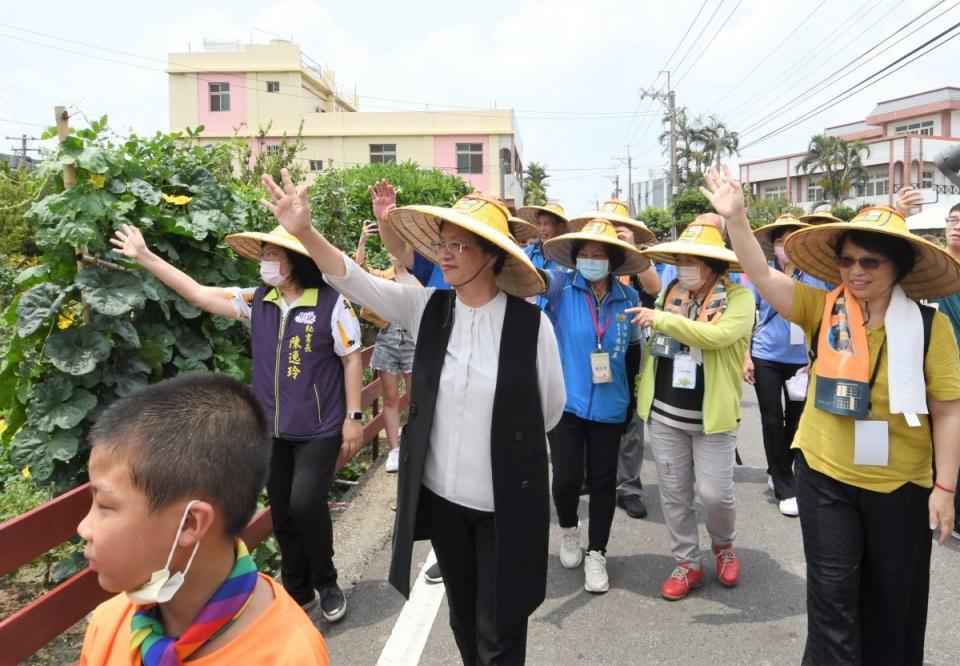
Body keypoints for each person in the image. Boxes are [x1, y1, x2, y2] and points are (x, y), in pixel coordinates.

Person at [260, 170, 565, 665]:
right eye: (443, 244)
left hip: (504, 506)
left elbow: (548, 409)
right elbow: (353, 280)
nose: (444, 255)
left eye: (458, 247)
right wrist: (304, 233)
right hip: (444, 502)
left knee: (502, 628)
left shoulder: (533, 326)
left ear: (491, 256)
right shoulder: (427, 308)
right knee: (463, 618)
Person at [704, 164, 960, 664]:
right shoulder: (822, 308)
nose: (856, 271)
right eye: (847, 261)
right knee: (832, 602)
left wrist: (945, 489)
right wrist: (735, 219)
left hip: (901, 485)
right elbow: (759, 272)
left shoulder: (931, 329)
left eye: (871, 262)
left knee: (894, 604)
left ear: (899, 268)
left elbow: (948, 411)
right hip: (824, 477)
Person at [110, 223, 363, 623]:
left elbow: (351, 358)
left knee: (305, 503)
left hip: (319, 427)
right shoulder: (258, 300)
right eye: (263, 254)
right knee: (282, 510)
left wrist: (354, 417)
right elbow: (199, 293)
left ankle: (327, 582)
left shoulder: (332, 304)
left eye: (271, 255)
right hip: (271, 430)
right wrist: (145, 256)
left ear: (295, 261)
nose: (265, 262)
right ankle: (299, 590)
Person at [78, 373, 329, 665]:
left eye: (105, 506)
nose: (83, 527)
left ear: (189, 523)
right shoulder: (109, 624)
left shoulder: (289, 656)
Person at [628, 214, 754, 601]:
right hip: (666, 412)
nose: (682, 266)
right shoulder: (670, 293)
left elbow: (717, 336)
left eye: (691, 260)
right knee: (674, 493)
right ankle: (688, 562)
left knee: (716, 494)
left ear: (713, 262)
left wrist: (663, 320)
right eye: (680, 259)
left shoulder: (739, 298)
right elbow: (659, 344)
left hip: (712, 417)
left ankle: (723, 545)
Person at [538, 219, 647, 593]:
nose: (589, 260)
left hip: (611, 406)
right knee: (566, 478)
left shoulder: (629, 300)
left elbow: (633, 353)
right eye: (583, 254)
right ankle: (569, 528)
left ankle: (597, 553)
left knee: (604, 481)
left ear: (613, 262)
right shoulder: (558, 288)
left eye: (598, 255)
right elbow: (526, 279)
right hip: (565, 402)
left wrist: (631, 401)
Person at [569, 200, 661, 519]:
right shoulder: (578, 272)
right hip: (588, 346)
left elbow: (655, 289)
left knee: (630, 423)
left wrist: (630, 249)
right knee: (582, 411)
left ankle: (629, 486)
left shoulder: (634, 264)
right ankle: (585, 475)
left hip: (626, 340)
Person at [744, 214, 828, 517]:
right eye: (780, 240)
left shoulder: (818, 277)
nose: (785, 246)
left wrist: (817, 358)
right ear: (774, 245)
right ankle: (784, 486)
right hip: (766, 355)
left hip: (802, 362)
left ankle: (778, 466)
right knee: (771, 418)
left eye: (792, 239)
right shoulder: (763, 275)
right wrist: (746, 356)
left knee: (795, 422)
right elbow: (748, 317)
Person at [900, 191, 960, 539]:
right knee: (933, 432)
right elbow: (898, 253)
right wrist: (900, 213)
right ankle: (933, 496)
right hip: (929, 367)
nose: (956, 228)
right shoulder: (934, 269)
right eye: (953, 221)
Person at [354, 220, 417, 474]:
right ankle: (394, 449)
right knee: (390, 397)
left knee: (416, 399)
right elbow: (359, 273)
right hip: (388, 340)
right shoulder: (384, 277)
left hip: (414, 340)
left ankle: (415, 444)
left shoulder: (418, 279)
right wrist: (361, 242)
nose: (393, 253)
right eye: (391, 249)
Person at [517, 202, 569, 309]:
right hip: (530, 317)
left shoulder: (567, 258)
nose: (541, 229)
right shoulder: (527, 254)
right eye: (539, 224)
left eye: (546, 224)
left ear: (560, 227)